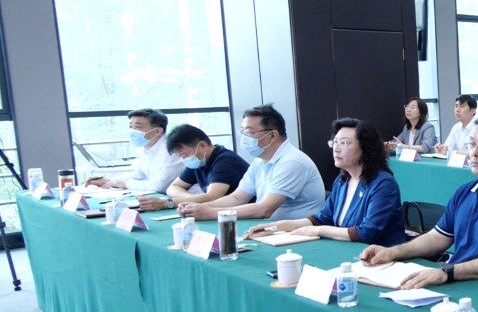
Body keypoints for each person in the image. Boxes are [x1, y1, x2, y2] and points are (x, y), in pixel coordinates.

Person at [360, 115, 478, 287]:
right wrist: (392, 252)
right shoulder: (465, 191)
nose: (474, 153)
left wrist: (447, 272)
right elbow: (437, 238)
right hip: (458, 280)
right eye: (471, 144)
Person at [246, 118, 405, 247]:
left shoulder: (383, 184)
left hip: (382, 258)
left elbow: (367, 233)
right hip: (348, 252)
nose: (336, 148)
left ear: (366, 149)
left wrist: (319, 230)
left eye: (344, 143)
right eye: (334, 142)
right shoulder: (342, 181)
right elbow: (320, 219)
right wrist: (275, 227)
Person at [178, 104, 325, 221]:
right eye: (243, 131)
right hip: (271, 229)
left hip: (298, 234)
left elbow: (264, 209)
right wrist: (197, 207)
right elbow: (237, 198)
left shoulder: (292, 162)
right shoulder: (259, 161)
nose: (244, 137)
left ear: (272, 135)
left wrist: (210, 213)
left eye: (249, 132)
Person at [144, 124, 249, 211]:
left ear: (203, 145)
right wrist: (191, 199)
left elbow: (212, 197)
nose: (184, 159)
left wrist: (167, 203)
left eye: (185, 155)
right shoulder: (199, 161)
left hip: (242, 213)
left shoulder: (225, 160)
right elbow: (173, 187)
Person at [83, 108, 183, 194]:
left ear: (157, 131)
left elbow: (159, 186)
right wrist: (109, 181)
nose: (132, 131)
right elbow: (138, 175)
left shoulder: (170, 150)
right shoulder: (146, 149)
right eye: (131, 127)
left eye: (138, 127)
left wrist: (125, 183)